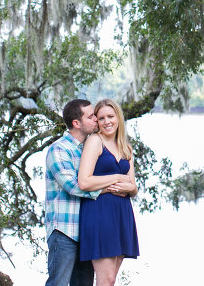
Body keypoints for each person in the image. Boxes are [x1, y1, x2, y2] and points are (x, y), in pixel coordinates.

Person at [44, 99, 131, 286]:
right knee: (58, 282)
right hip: (64, 229)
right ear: (77, 123)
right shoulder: (59, 150)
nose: (97, 120)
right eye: (91, 116)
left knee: (84, 283)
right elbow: (74, 186)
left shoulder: (89, 146)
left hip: (86, 228)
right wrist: (114, 184)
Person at [78, 98, 140, 286]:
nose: (107, 122)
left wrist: (131, 188)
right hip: (99, 213)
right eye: (102, 118)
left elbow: (133, 186)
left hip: (122, 215)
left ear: (118, 118)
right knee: (106, 279)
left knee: (111, 280)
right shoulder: (95, 142)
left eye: (111, 117)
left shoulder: (125, 147)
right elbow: (84, 181)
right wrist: (117, 178)